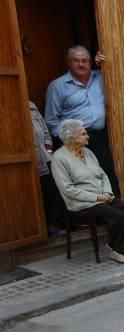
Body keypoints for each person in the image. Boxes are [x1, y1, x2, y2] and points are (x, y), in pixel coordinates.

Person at [50, 119, 124, 263]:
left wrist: (107, 193)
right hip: (81, 201)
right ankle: (117, 249)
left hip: (101, 196)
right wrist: (97, 197)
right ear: (71, 138)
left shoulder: (87, 152)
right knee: (117, 215)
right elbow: (68, 189)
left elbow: (103, 175)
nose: (88, 136)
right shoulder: (59, 158)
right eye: (83, 134)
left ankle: (118, 247)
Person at [45, 46, 120, 195]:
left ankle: (114, 212)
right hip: (73, 141)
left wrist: (107, 61)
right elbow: (51, 120)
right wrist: (67, 141)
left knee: (107, 176)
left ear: (90, 62)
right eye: (76, 61)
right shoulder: (58, 86)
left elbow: (121, 72)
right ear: (68, 62)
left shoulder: (102, 76)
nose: (81, 64)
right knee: (83, 181)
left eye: (84, 60)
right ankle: (92, 215)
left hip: (98, 137)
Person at [30, 101, 64, 236]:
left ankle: (51, 225)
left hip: (43, 160)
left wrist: (48, 152)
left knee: (50, 192)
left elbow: (45, 133)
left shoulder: (31, 107)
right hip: (21, 162)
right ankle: (35, 231)